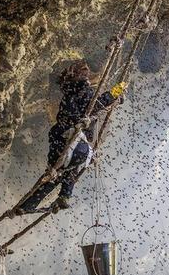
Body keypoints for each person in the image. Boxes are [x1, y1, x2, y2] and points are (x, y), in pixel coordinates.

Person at [17, 60, 126, 213]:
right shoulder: (84, 91)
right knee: (68, 170)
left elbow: (79, 113)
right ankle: (64, 196)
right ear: (82, 76)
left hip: (60, 142)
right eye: (86, 71)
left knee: (54, 174)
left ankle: (27, 205)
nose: (89, 74)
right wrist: (115, 93)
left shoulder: (68, 95)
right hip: (78, 146)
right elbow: (97, 105)